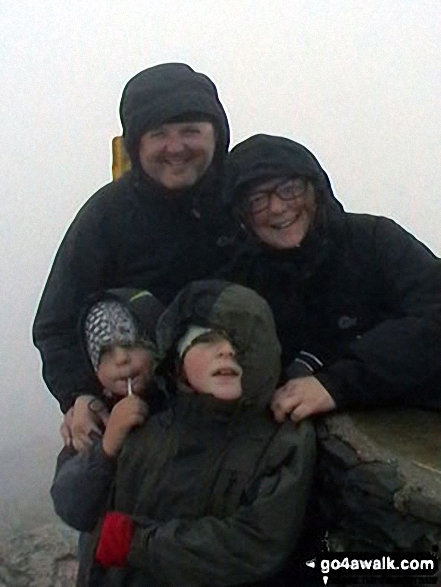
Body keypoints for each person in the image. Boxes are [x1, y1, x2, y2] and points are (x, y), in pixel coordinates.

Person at [52, 280, 318, 587]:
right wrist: (105, 449)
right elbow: (73, 507)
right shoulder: (123, 423)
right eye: (206, 339)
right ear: (177, 359)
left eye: (243, 338)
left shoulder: (281, 439)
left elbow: (257, 543)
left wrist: (137, 543)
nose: (227, 350)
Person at [33, 63, 238, 449]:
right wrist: (79, 395)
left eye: (190, 131)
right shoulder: (107, 216)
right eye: (158, 134)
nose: (175, 148)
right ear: (136, 145)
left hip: (241, 409)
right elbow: (55, 324)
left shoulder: (247, 200)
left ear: (217, 135)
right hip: (134, 418)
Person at [223, 134, 441, 422]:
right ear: (241, 215)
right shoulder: (243, 278)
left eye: (289, 189)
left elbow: (433, 315)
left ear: (317, 190)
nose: (276, 207)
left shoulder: (374, 240)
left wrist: (337, 383)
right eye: (257, 200)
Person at [51, 287, 165, 587]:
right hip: (105, 576)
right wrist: (106, 448)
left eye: (131, 344)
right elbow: (71, 506)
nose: (122, 361)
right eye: (105, 353)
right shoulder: (89, 424)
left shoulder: (176, 410)